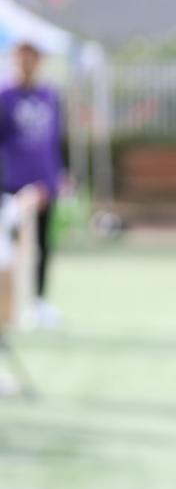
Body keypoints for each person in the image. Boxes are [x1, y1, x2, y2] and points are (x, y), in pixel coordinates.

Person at [0, 41, 67, 329]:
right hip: (13, 184)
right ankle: (9, 307)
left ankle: (39, 303)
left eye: (33, 55)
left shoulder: (50, 95)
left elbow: (55, 140)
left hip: (45, 182)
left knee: (44, 244)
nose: (27, 61)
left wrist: (59, 175)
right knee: (9, 249)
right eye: (23, 55)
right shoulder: (5, 96)